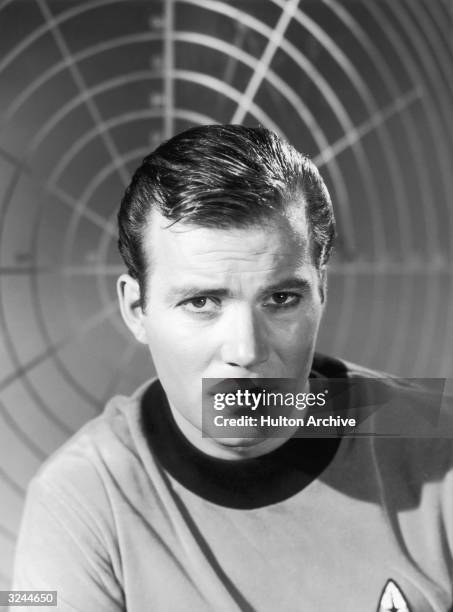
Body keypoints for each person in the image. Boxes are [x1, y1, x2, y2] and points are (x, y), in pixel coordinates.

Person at [13, 125, 453, 611]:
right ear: (137, 310)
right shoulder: (81, 500)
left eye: (281, 299)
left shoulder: (441, 443)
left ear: (320, 292)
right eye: (201, 302)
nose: (246, 349)